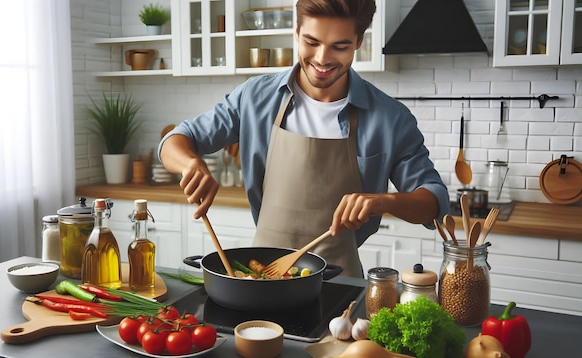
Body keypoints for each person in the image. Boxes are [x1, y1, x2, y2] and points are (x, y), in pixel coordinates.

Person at [159, 0, 449, 278]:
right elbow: (177, 140)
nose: (322, 59)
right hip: (262, 276)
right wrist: (190, 164)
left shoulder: (389, 117)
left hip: (340, 283)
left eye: (340, 46)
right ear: (296, 32)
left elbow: (434, 201)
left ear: (358, 42)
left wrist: (384, 201)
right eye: (311, 42)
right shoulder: (255, 97)